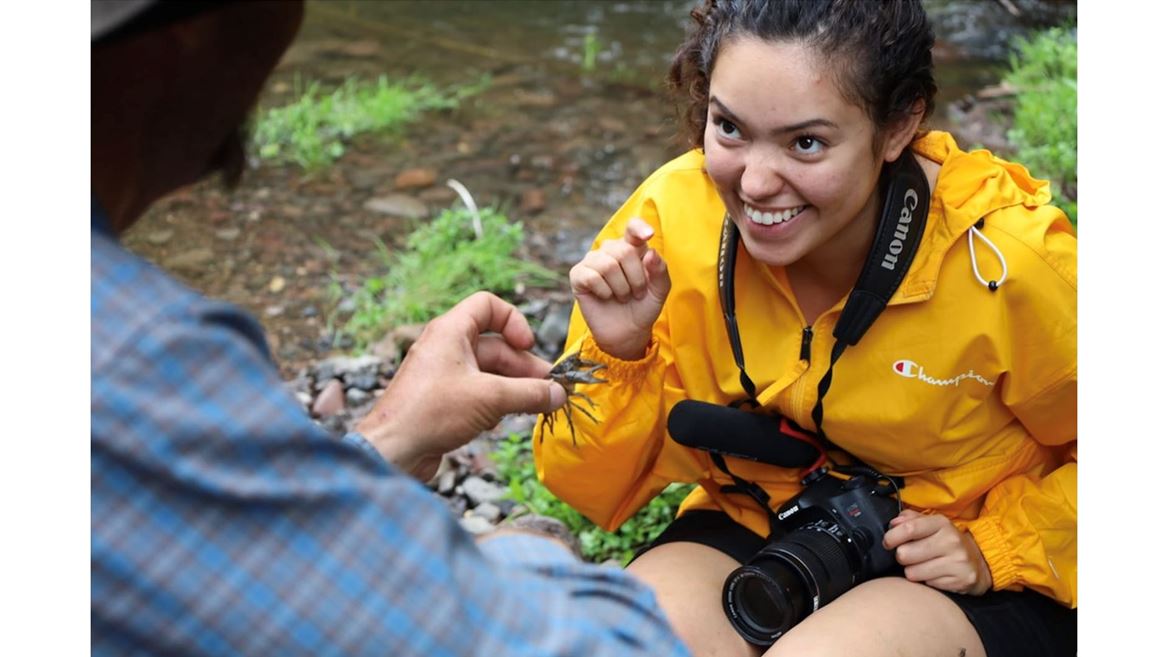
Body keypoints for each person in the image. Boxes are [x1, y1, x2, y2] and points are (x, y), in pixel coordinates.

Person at [90, 2, 693, 655]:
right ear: (186, 31)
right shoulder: (137, 358)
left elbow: (208, 550)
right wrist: (527, 551)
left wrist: (386, 439)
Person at [533, 1, 1076, 656]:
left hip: (955, 552)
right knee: (623, 643)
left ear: (899, 126)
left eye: (806, 143)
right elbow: (582, 483)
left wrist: (999, 546)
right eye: (729, 128)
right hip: (763, 515)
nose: (756, 183)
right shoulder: (669, 219)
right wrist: (619, 355)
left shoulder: (1007, 263)